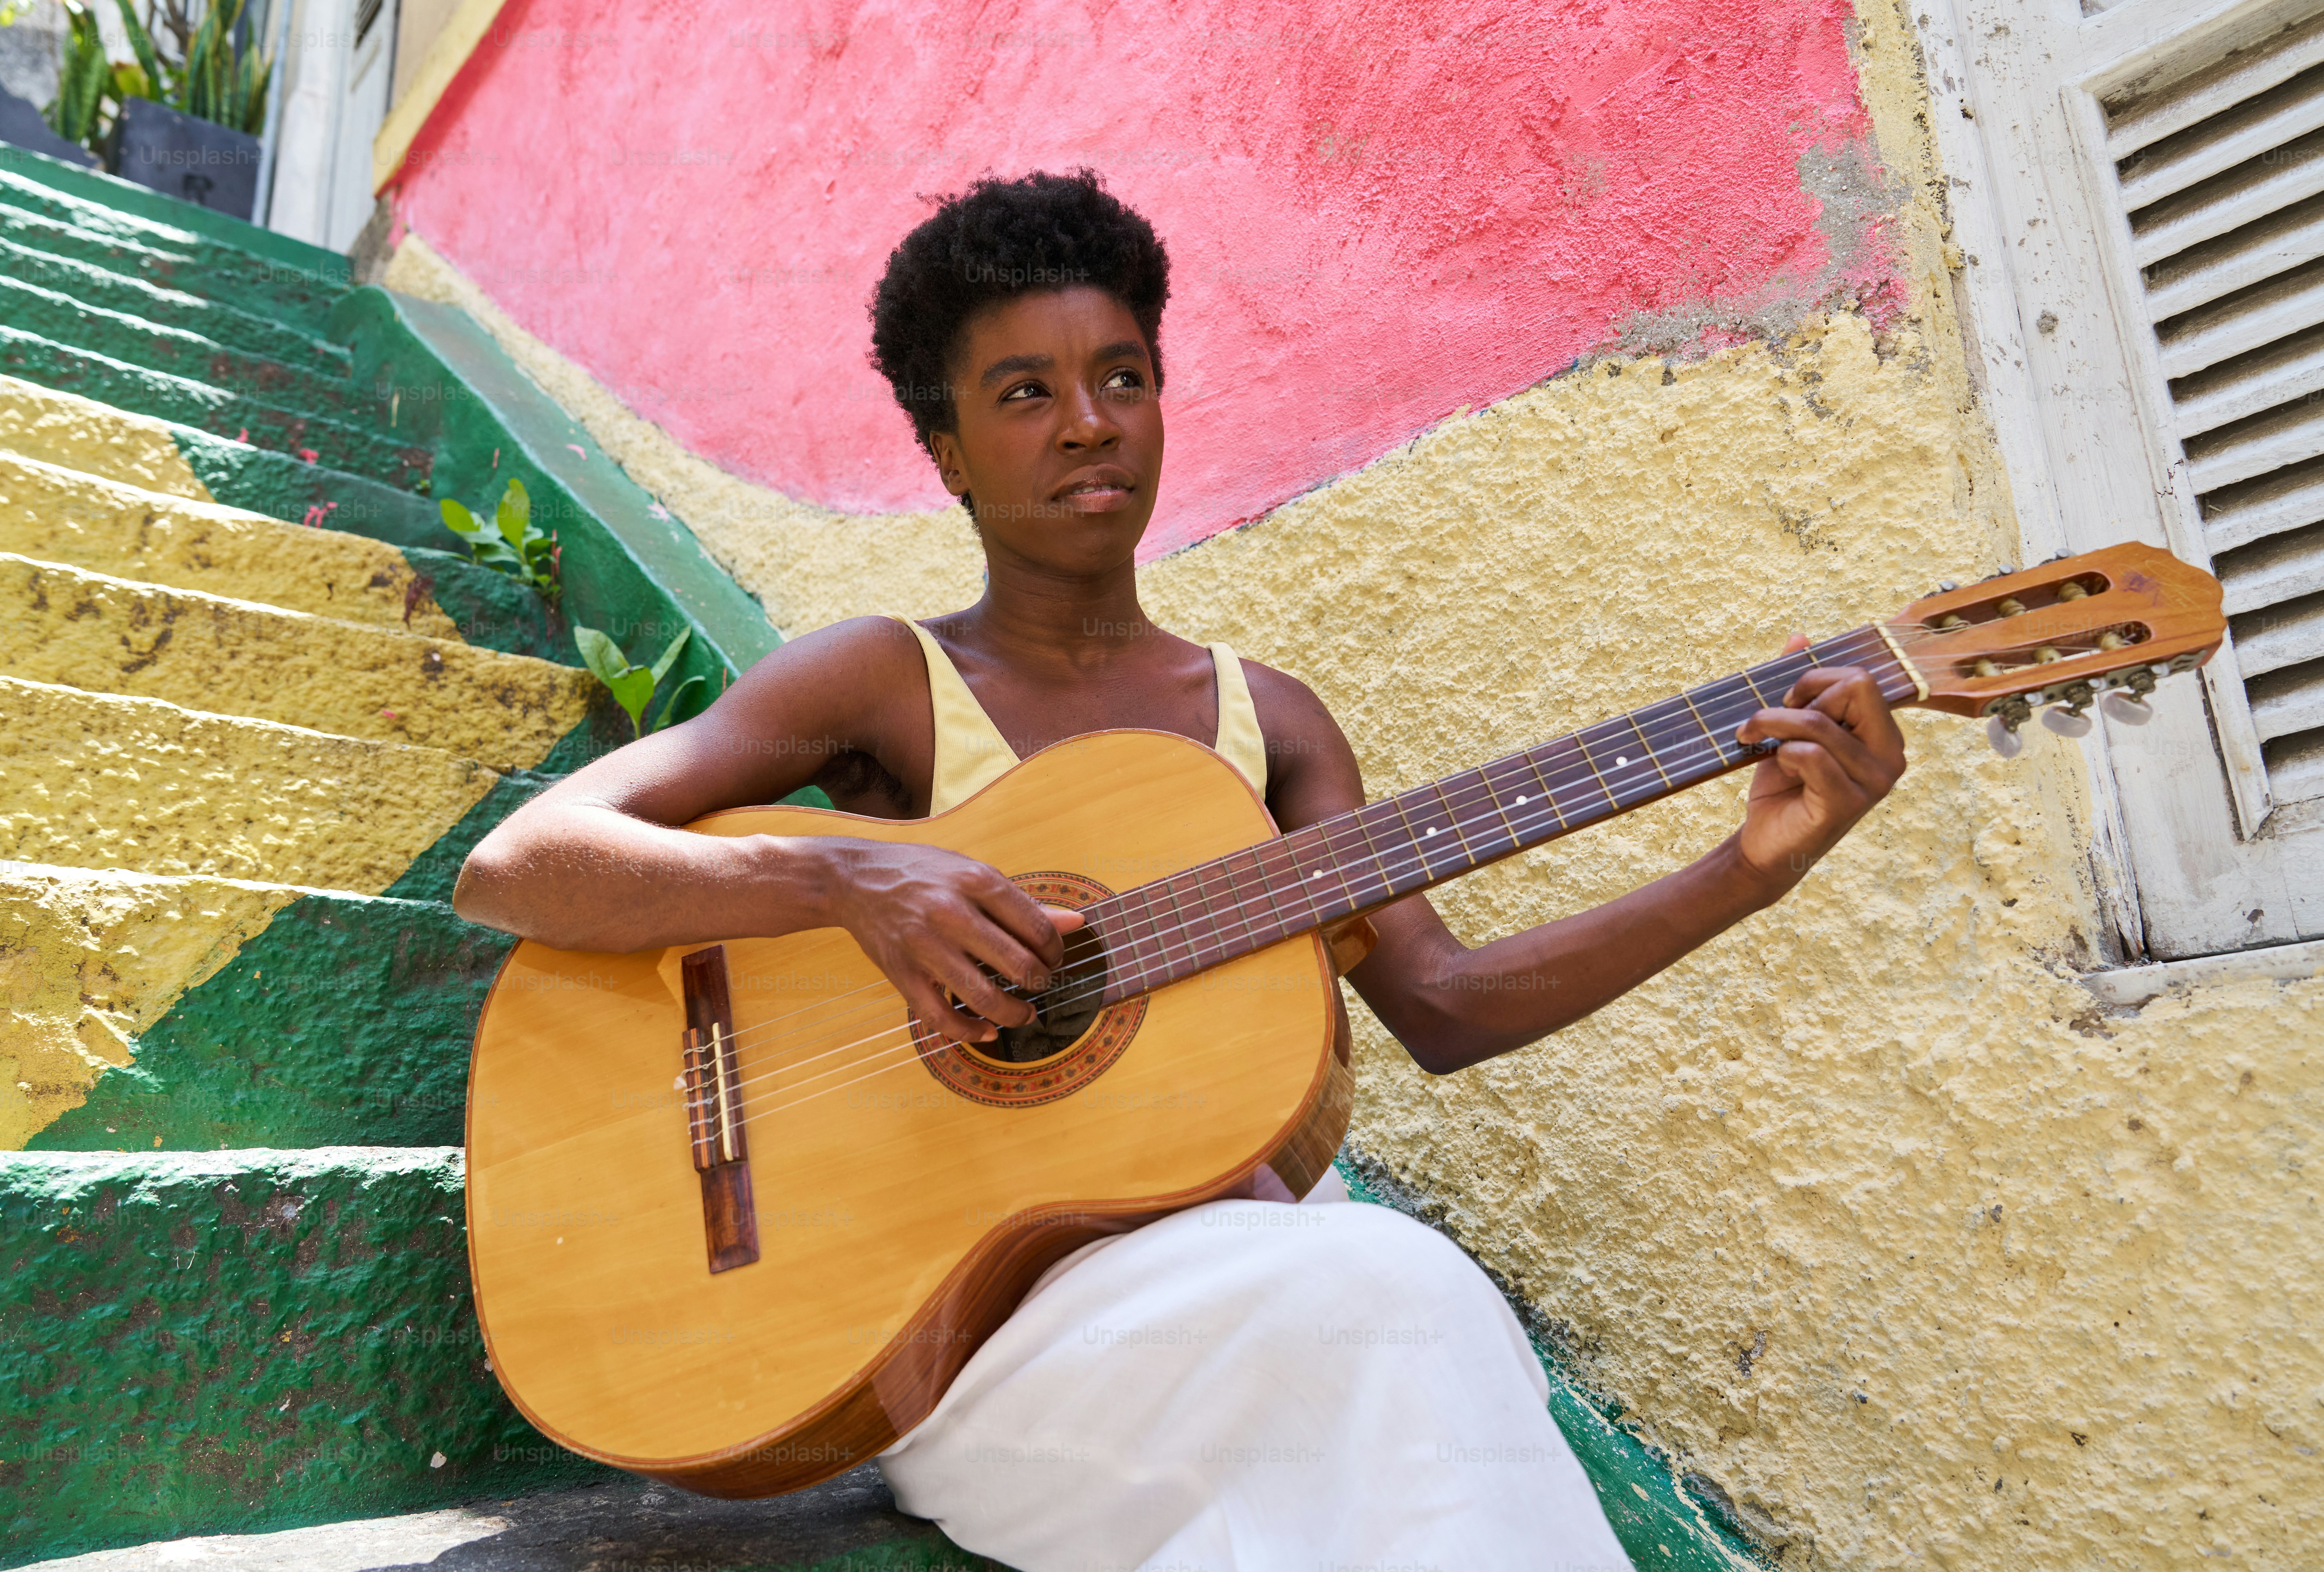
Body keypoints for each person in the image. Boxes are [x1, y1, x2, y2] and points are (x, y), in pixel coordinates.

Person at [453, 169, 1906, 1572]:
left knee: (1390, 1309)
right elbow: (523, 864)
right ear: (949, 455)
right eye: (1026, 393)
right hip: (987, 1336)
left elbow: (1446, 1005)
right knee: (1397, 1295)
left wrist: (1749, 868)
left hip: (1270, 1286)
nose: (1089, 425)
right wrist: (847, 881)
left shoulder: (1268, 726)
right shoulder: (885, 683)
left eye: (1124, 378)